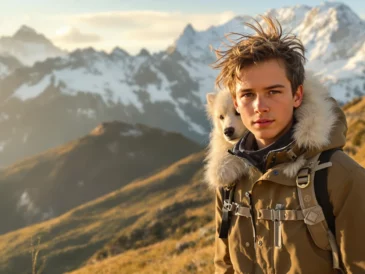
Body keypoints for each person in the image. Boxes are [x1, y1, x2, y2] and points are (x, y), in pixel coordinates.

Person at [210, 15, 365, 273]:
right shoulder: (230, 178)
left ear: (297, 95)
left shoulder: (342, 176)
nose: (260, 107)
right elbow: (224, 265)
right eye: (248, 94)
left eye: (273, 91)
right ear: (236, 103)